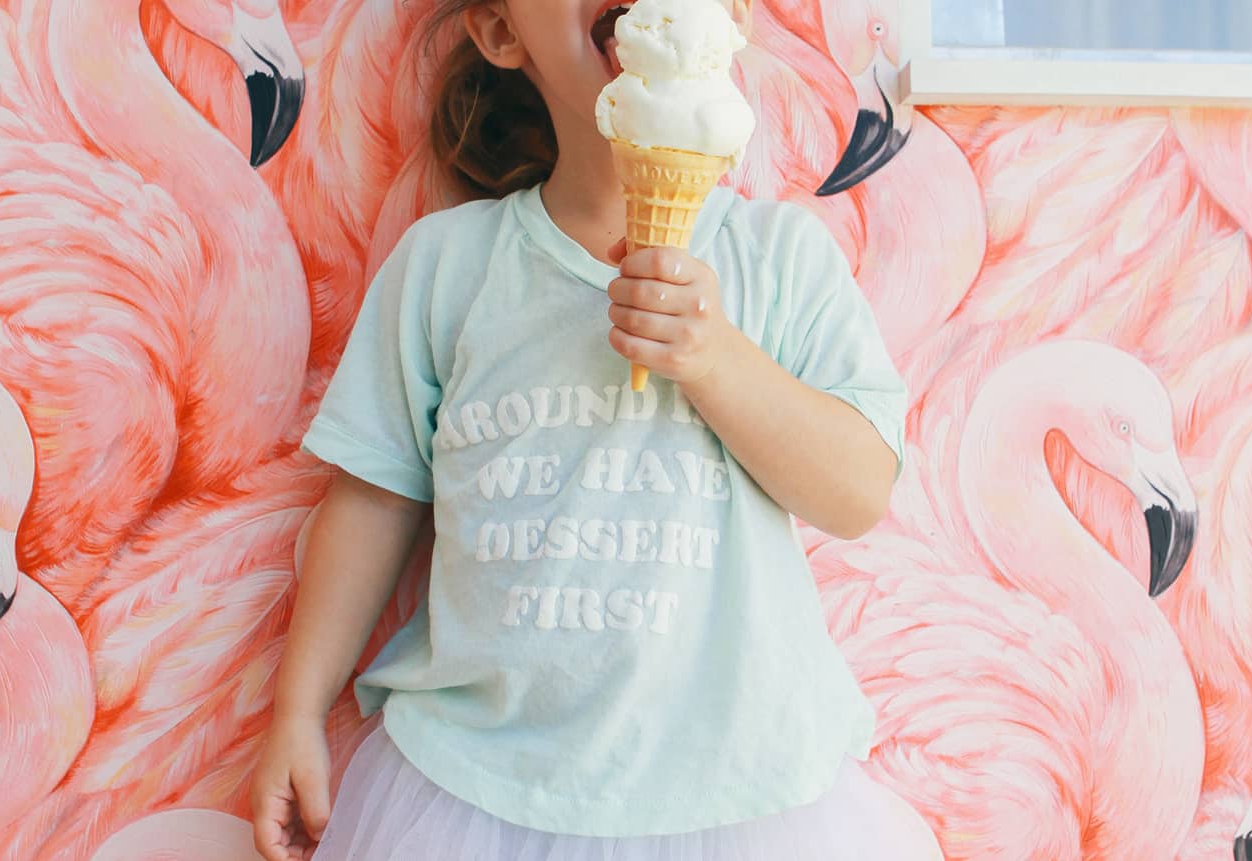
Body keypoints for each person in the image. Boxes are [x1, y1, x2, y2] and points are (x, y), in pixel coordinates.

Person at [251, 1, 938, 858]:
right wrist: (298, 707)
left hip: (742, 788)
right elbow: (372, 501)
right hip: (478, 782)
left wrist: (719, 360)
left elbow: (858, 488)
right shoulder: (447, 266)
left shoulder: (782, 258)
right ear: (504, 35)